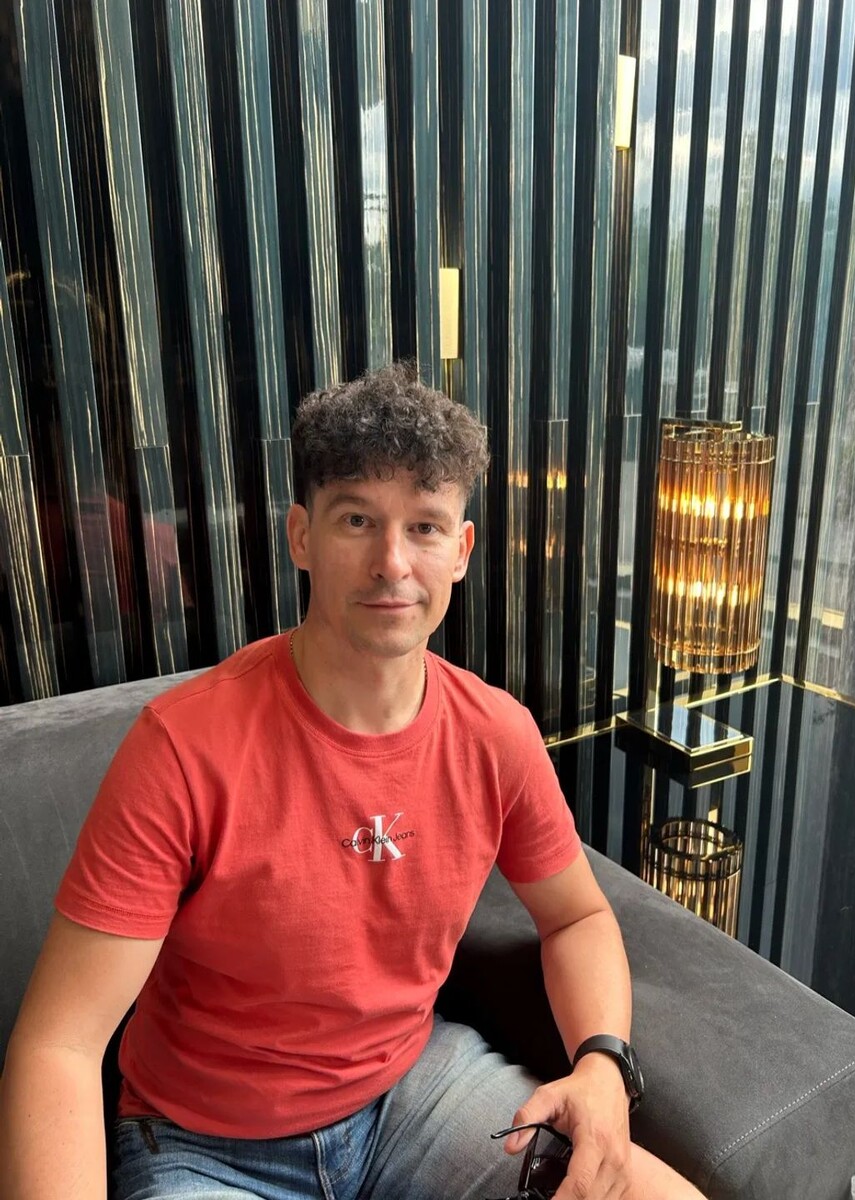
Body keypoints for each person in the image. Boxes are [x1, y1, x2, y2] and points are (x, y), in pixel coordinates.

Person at [0, 362, 704, 1200]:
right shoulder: (182, 747)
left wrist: (602, 1064)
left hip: (414, 1091)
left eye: (425, 527)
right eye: (358, 520)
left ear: (461, 551)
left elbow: (578, 916)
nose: (391, 563)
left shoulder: (496, 734)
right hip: (207, 1144)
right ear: (302, 536)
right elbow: (59, 1045)